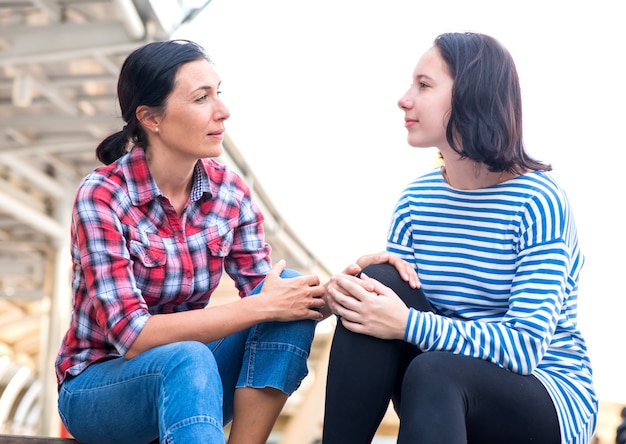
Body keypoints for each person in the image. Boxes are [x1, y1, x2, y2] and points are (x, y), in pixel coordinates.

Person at [322, 32, 598, 444]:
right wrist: (350, 295)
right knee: (377, 280)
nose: (404, 99)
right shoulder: (416, 200)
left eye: (424, 85)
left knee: (434, 369)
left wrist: (407, 322)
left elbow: (524, 347)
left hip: (544, 392)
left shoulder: (538, 200)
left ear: (472, 94)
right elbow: (391, 313)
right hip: (437, 379)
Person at [53, 39, 331, 444]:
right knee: (191, 354)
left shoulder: (230, 192)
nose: (223, 110)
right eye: (202, 98)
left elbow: (268, 293)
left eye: (219, 93)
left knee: (292, 288)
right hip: (99, 392)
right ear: (151, 118)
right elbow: (134, 336)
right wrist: (263, 304)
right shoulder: (103, 195)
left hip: (192, 388)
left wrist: (344, 286)